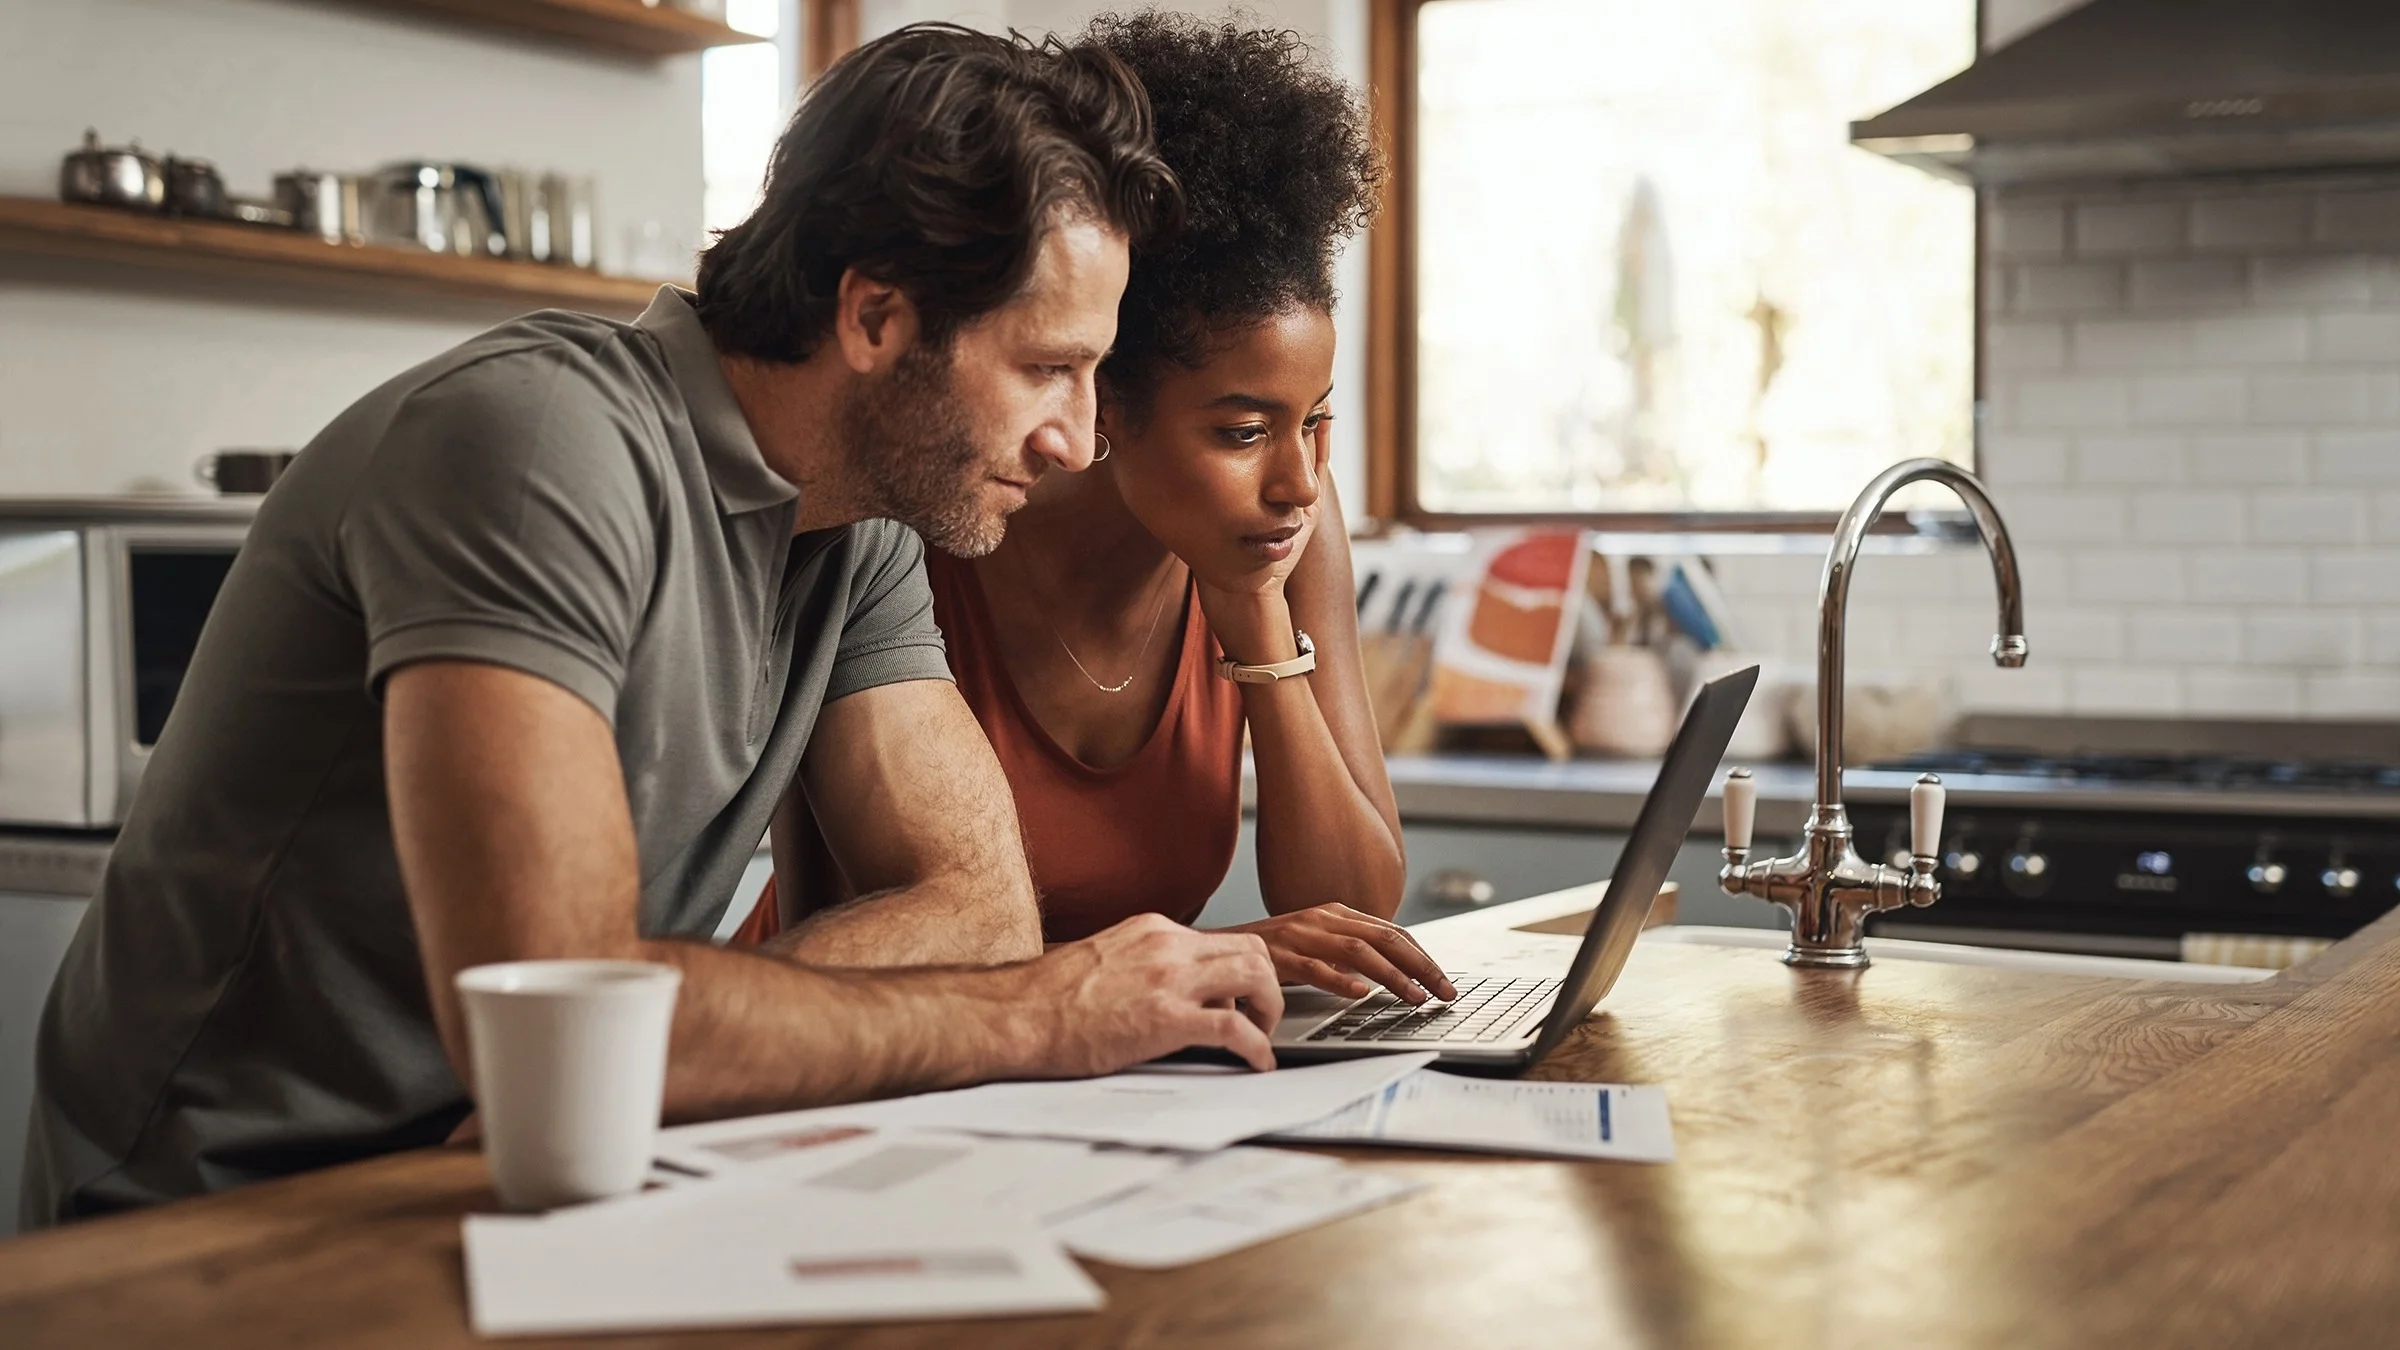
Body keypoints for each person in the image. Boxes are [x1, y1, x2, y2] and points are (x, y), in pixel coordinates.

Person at [21, 24, 1287, 1229]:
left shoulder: (864, 528)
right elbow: (564, 1022)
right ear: (876, 319)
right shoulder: (536, 449)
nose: (1073, 439)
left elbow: (976, 910)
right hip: (231, 1215)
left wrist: (656, 1047)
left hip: (540, 1172)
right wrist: (1033, 1017)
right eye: (1045, 368)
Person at [743, 14, 1456, 1009]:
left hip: (1111, 1063)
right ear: (1103, 400)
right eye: (1245, 432)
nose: (1299, 481)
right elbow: (871, 923)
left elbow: (1357, 911)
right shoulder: (931, 516)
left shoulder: (1282, 532)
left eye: (1317, 423)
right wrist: (1215, 955)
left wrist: (1253, 618)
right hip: (860, 1043)